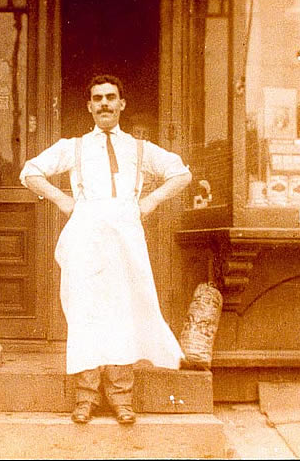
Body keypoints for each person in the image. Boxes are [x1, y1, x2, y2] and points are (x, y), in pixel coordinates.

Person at [18, 74, 192, 425]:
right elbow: (31, 171)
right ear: (89, 106)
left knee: (123, 312)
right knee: (85, 313)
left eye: (111, 97)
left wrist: (152, 200)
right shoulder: (75, 147)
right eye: (97, 99)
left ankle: (120, 397)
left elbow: (181, 174)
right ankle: (86, 398)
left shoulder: (138, 148)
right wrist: (65, 201)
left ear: (122, 104)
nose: (105, 104)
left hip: (125, 238)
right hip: (86, 236)